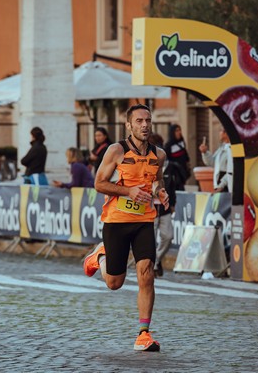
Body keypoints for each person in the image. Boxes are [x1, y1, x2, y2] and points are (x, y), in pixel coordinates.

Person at [83, 104, 169, 352]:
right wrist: (127, 190)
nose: (145, 125)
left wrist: (160, 191)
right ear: (128, 125)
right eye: (139, 121)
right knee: (114, 283)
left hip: (143, 221)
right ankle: (99, 256)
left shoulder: (159, 154)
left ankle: (144, 333)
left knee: (146, 272)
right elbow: (99, 183)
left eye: (148, 120)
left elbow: (157, 179)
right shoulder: (116, 150)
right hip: (117, 222)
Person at [148, 133, 177, 278]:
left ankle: (156, 260)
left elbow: (173, 186)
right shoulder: (145, 163)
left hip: (164, 207)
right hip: (150, 206)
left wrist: (173, 203)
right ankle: (151, 265)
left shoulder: (169, 165)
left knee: (168, 236)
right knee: (150, 239)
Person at [198, 127, 233, 192]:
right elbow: (212, 162)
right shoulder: (222, 148)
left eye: (221, 131)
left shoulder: (232, 149)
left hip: (227, 186)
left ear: (226, 133)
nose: (219, 133)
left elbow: (232, 171)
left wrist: (222, 185)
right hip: (219, 183)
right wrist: (205, 152)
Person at [164, 124, 190, 189]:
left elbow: (185, 155)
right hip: (175, 174)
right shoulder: (168, 146)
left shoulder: (181, 143)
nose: (179, 132)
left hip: (182, 172)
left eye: (179, 130)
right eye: (176, 131)